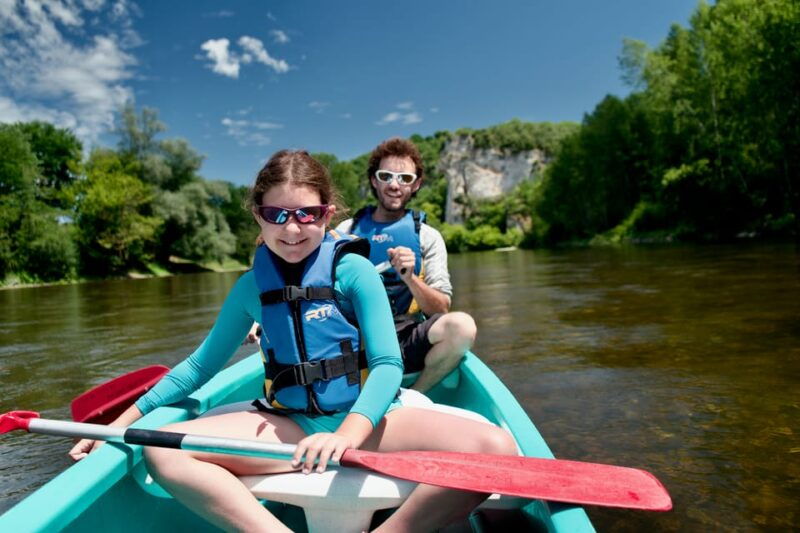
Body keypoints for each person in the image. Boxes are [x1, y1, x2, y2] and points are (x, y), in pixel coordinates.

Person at [68, 150, 516, 532]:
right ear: (258, 217)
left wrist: (347, 433)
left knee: (496, 448)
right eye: (276, 215)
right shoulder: (249, 288)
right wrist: (112, 428)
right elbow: (197, 369)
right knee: (162, 450)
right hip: (290, 424)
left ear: (328, 213)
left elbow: (386, 365)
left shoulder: (353, 270)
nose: (293, 229)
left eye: (308, 214)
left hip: (371, 421)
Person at [336, 137, 476, 393]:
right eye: (386, 176)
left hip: (405, 334)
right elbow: (315, 287)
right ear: (374, 180)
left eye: (405, 178)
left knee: (462, 327)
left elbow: (441, 308)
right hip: (356, 338)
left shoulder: (428, 236)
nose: (394, 185)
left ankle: (416, 394)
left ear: (416, 185)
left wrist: (410, 278)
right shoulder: (345, 232)